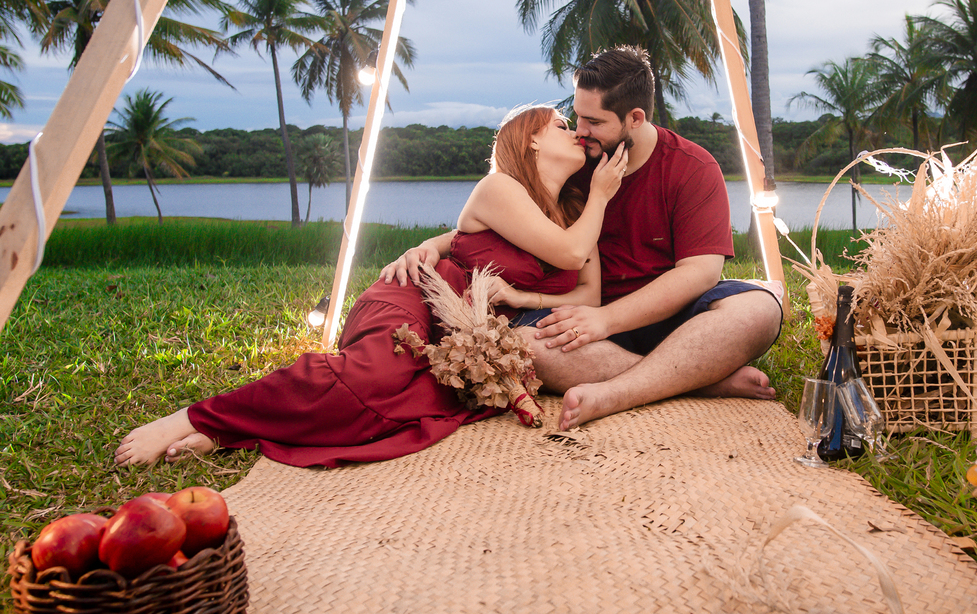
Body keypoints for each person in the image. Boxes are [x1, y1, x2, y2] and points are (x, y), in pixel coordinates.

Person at [115, 106, 628, 468]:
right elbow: (567, 254)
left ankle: (226, 431)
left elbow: (589, 294)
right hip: (421, 293)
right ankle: (193, 416)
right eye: (561, 125)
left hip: (463, 331)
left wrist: (523, 299)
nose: (574, 133)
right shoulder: (501, 187)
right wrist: (603, 196)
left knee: (415, 400)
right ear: (531, 139)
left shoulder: (576, 213)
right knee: (373, 373)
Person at [382, 46, 784, 431]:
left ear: (635, 118)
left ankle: (620, 391)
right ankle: (701, 378)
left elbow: (700, 274)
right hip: (581, 320)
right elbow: (499, 224)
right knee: (524, 343)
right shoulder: (576, 161)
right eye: (576, 117)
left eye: (593, 122)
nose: (580, 131)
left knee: (760, 309)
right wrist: (430, 246)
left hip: (668, 317)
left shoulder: (692, 166)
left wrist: (607, 319)